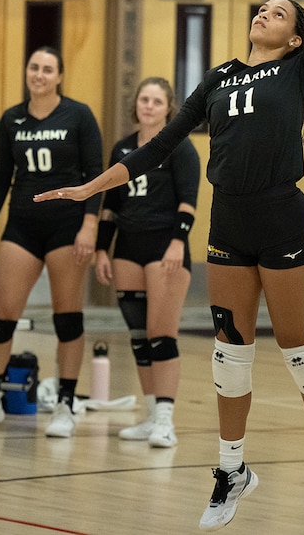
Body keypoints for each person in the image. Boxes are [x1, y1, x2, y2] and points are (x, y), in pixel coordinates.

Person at [35, 0, 304, 527]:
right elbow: (158, 146)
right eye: (262, 8)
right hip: (229, 222)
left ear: (294, 38)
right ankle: (231, 470)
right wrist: (90, 190)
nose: (263, 13)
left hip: (281, 218)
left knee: (298, 347)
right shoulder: (219, 78)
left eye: (278, 13)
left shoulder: (298, 69)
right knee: (230, 352)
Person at [0, 46, 103, 438]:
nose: (39, 74)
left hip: (66, 227)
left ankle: (65, 405)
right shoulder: (12, 119)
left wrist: (90, 225)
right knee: (1, 314)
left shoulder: (79, 115)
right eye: (33, 68)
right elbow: (1, 178)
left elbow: (96, 175)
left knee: (67, 316)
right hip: (22, 226)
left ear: (59, 76)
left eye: (47, 69)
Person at [94, 77, 199, 449]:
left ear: (168, 107)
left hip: (164, 248)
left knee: (161, 334)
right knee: (139, 337)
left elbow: (189, 202)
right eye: (144, 99)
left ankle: (166, 421)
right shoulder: (122, 148)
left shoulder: (180, 149)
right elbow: (111, 206)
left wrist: (177, 242)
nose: (149, 106)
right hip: (128, 248)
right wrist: (101, 249)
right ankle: (151, 414)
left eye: (157, 101)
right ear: (135, 104)